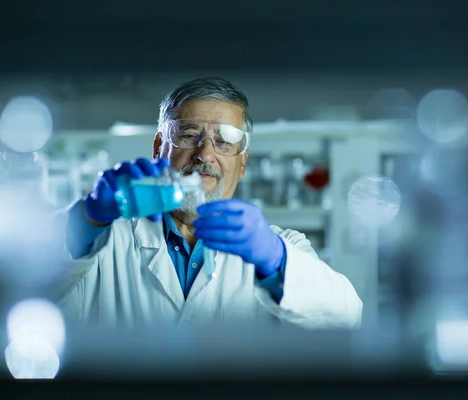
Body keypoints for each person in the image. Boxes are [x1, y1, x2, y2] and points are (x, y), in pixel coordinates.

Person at [57, 77, 363, 330]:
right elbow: (29, 278)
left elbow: (347, 316)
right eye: (189, 135)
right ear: (158, 149)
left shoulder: (280, 247)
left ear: (242, 164)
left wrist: (275, 259)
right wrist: (87, 219)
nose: (204, 154)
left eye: (224, 140)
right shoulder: (104, 242)